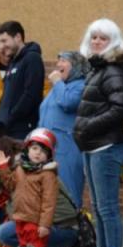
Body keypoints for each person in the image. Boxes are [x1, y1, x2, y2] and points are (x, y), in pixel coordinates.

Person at [74, 18, 123, 247]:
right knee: (98, 208)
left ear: (113, 41)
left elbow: (120, 108)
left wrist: (88, 126)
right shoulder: (97, 68)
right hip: (92, 146)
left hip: (107, 146)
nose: (97, 42)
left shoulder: (112, 70)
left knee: (108, 209)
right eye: (94, 37)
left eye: (103, 38)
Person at [0, 128, 59, 247]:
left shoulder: (47, 174)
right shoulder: (20, 168)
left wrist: (45, 224)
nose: (38, 153)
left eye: (43, 151)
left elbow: (49, 202)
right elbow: (10, 184)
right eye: (35, 148)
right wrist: (3, 167)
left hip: (35, 222)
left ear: (49, 155)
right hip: (20, 218)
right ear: (27, 150)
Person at [39, 51, 88, 207]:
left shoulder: (81, 85)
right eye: (58, 61)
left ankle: (73, 221)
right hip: (48, 149)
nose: (58, 64)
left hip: (67, 149)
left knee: (69, 193)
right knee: (49, 194)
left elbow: (68, 102)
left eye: (64, 61)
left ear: (76, 65)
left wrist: (57, 82)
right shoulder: (59, 86)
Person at [0, 21, 45, 139]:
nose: (1, 46)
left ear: (18, 37)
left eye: (4, 41)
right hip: (5, 131)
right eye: (0, 42)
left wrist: (10, 118)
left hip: (20, 131)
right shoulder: (13, 62)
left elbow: (31, 95)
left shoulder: (32, 59)